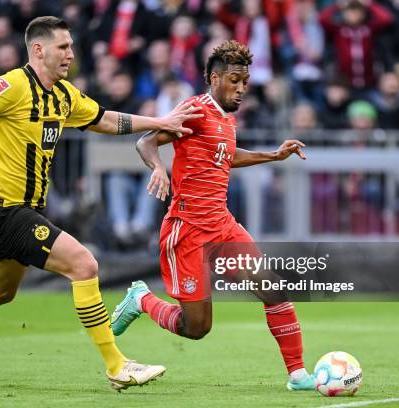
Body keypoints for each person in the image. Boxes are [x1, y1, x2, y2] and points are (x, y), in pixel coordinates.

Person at [0, 16, 202, 391]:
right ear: (39, 50)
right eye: (63, 47)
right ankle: (117, 365)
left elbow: (104, 119)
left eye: (71, 46)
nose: (70, 53)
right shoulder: (12, 86)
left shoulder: (64, 95)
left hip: (26, 209)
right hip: (2, 208)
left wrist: (159, 120)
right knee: (84, 265)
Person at [110, 40, 316, 391]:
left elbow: (227, 155)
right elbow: (145, 142)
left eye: (245, 82)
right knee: (197, 328)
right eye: (234, 80)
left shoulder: (227, 119)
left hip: (222, 225)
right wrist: (158, 168)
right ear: (214, 78)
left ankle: (298, 375)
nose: (241, 88)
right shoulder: (193, 109)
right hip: (187, 229)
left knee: (274, 289)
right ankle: (141, 299)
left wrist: (272, 156)